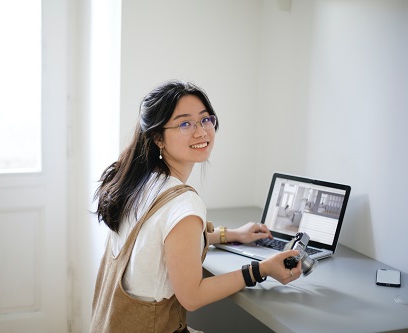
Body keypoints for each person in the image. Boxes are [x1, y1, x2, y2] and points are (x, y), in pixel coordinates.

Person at [91, 79, 302, 332]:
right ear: (158, 137)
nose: (201, 131)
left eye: (205, 119)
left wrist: (231, 235)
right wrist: (262, 269)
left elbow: (160, 242)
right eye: (184, 123)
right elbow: (192, 296)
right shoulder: (183, 202)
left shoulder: (140, 184)